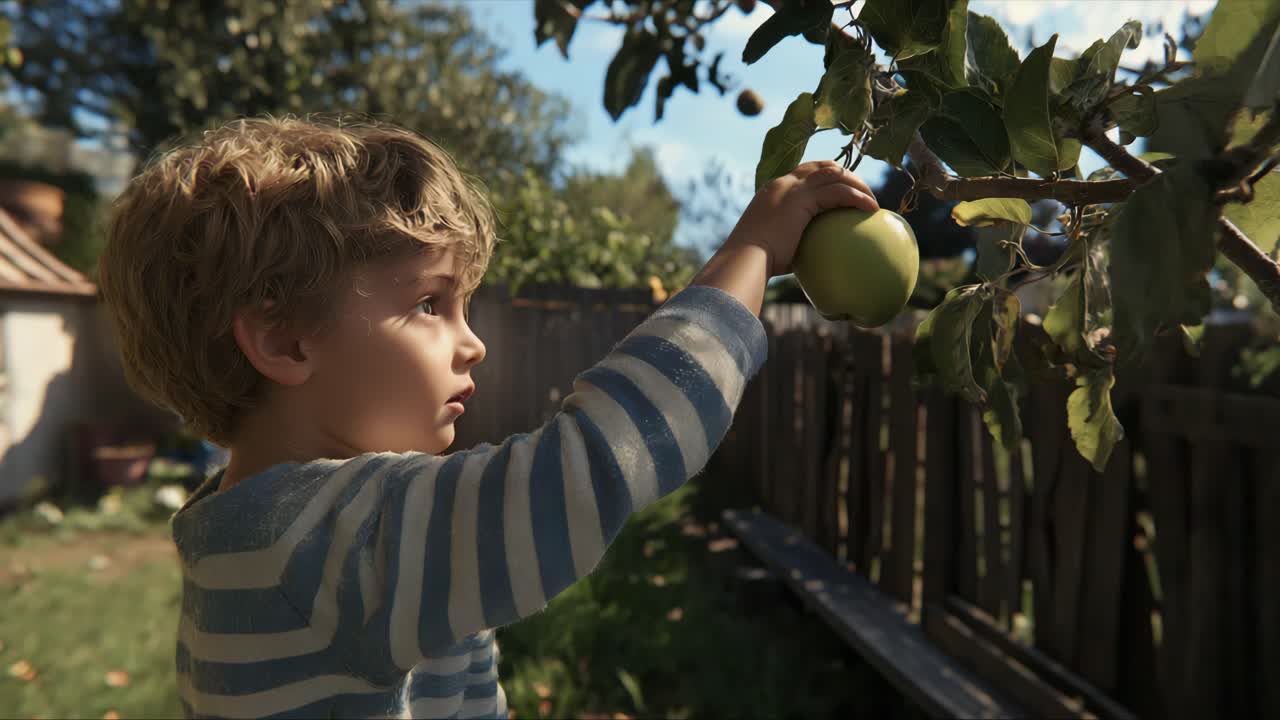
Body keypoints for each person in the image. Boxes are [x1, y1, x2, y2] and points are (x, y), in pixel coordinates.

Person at [96, 115, 878, 719]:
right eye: (429, 303)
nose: (471, 342)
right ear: (282, 337)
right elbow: (596, 461)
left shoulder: (253, 532)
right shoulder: (323, 539)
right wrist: (750, 254)